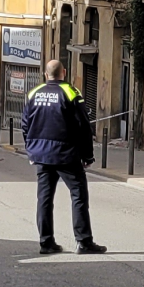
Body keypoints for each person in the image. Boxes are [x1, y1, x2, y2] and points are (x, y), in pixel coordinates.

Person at [21, 59, 107, 255]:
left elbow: (25, 124)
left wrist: (31, 149)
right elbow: (83, 126)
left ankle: (46, 242)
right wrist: (88, 155)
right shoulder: (71, 92)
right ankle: (84, 242)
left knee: (44, 198)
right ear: (64, 72)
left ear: (46, 74)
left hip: (41, 155)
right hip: (66, 155)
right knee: (78, 196)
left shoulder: (34, 93)